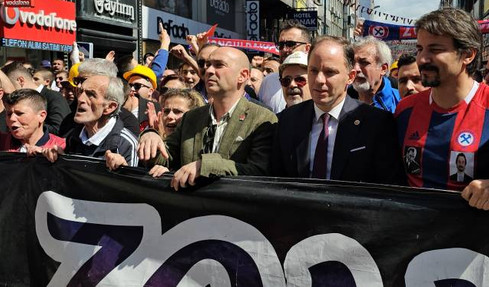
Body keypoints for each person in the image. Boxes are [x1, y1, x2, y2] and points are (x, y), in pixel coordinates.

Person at [395, 7, 489, 210]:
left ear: (467, 55)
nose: (422, 59)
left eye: (435, 49)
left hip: (476, 237)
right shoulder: (404, 110)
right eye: (420, 49)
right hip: (413, 235)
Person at [139, 47, 277, 190]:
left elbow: (258, 172)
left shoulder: (262, 118)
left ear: (242, 75)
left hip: (231, 209)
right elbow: (166, 159)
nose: (209, 71)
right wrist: (151, 137)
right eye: (207, 65)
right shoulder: (191, 118)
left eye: (219, 65)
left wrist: (205, 165)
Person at [271, 36, 404, 184]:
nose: (319, 80)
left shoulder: (377, 123)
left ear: (350, 77)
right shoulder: (287, 121)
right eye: (313, 71)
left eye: (329, 72)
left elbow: (388, 186)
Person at [57, 74, 139, 170]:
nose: (80, 99)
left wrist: (123, 170)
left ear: (110, 107)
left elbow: (130, 184)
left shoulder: (126, 143)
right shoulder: (74, 136)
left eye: (91, 94)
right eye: (80, 92)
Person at [3, 62, 71, 135]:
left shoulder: (53, 97)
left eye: (9, 86)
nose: (8, 91)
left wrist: (28, 123)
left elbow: (59, 129)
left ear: (21, 81)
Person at [348, 37, 401, 113]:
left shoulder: (399, 103)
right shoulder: (340, 100)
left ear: (383, 68)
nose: (356, 69)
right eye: (352, 63)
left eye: (364, 62)